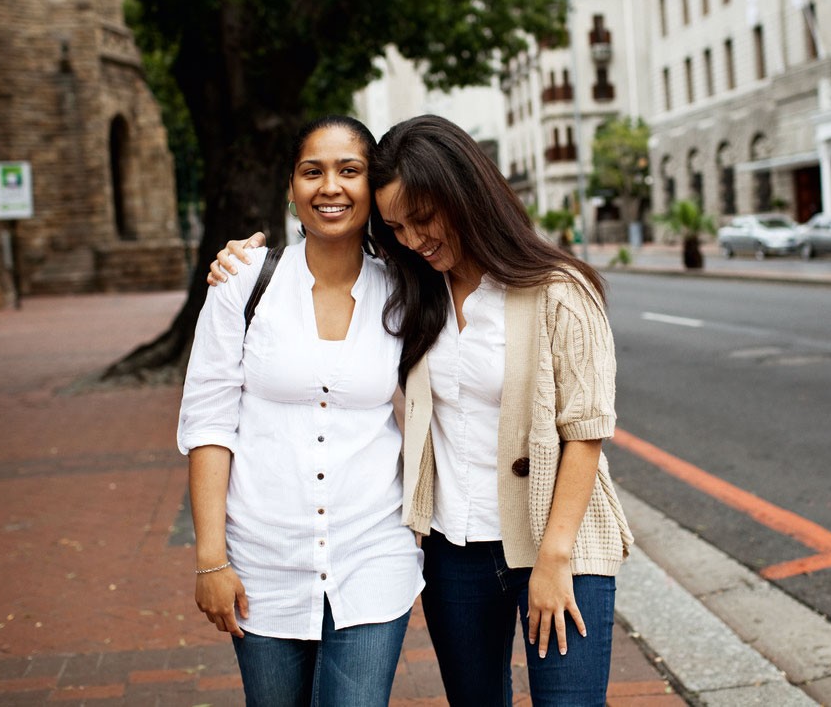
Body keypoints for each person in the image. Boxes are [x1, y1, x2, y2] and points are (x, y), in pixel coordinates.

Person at [209, 114, 632, 707]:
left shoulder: (560, 291)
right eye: (397, 226)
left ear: (465, 195)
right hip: (454, 549)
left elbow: (586, 434)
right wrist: (241, 259)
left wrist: (554, 560)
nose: (413, 239)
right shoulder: (414, 292)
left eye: (424, 218)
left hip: (557, 542)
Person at [179, 115, 422, 707]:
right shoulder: (241, 283)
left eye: (350, 170)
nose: (330, 187)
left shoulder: (407, 290)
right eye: (312, 171)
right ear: (291, 187)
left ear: (374, 186)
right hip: (264, 561)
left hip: (373, 554)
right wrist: (211, 560)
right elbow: (210, 423)